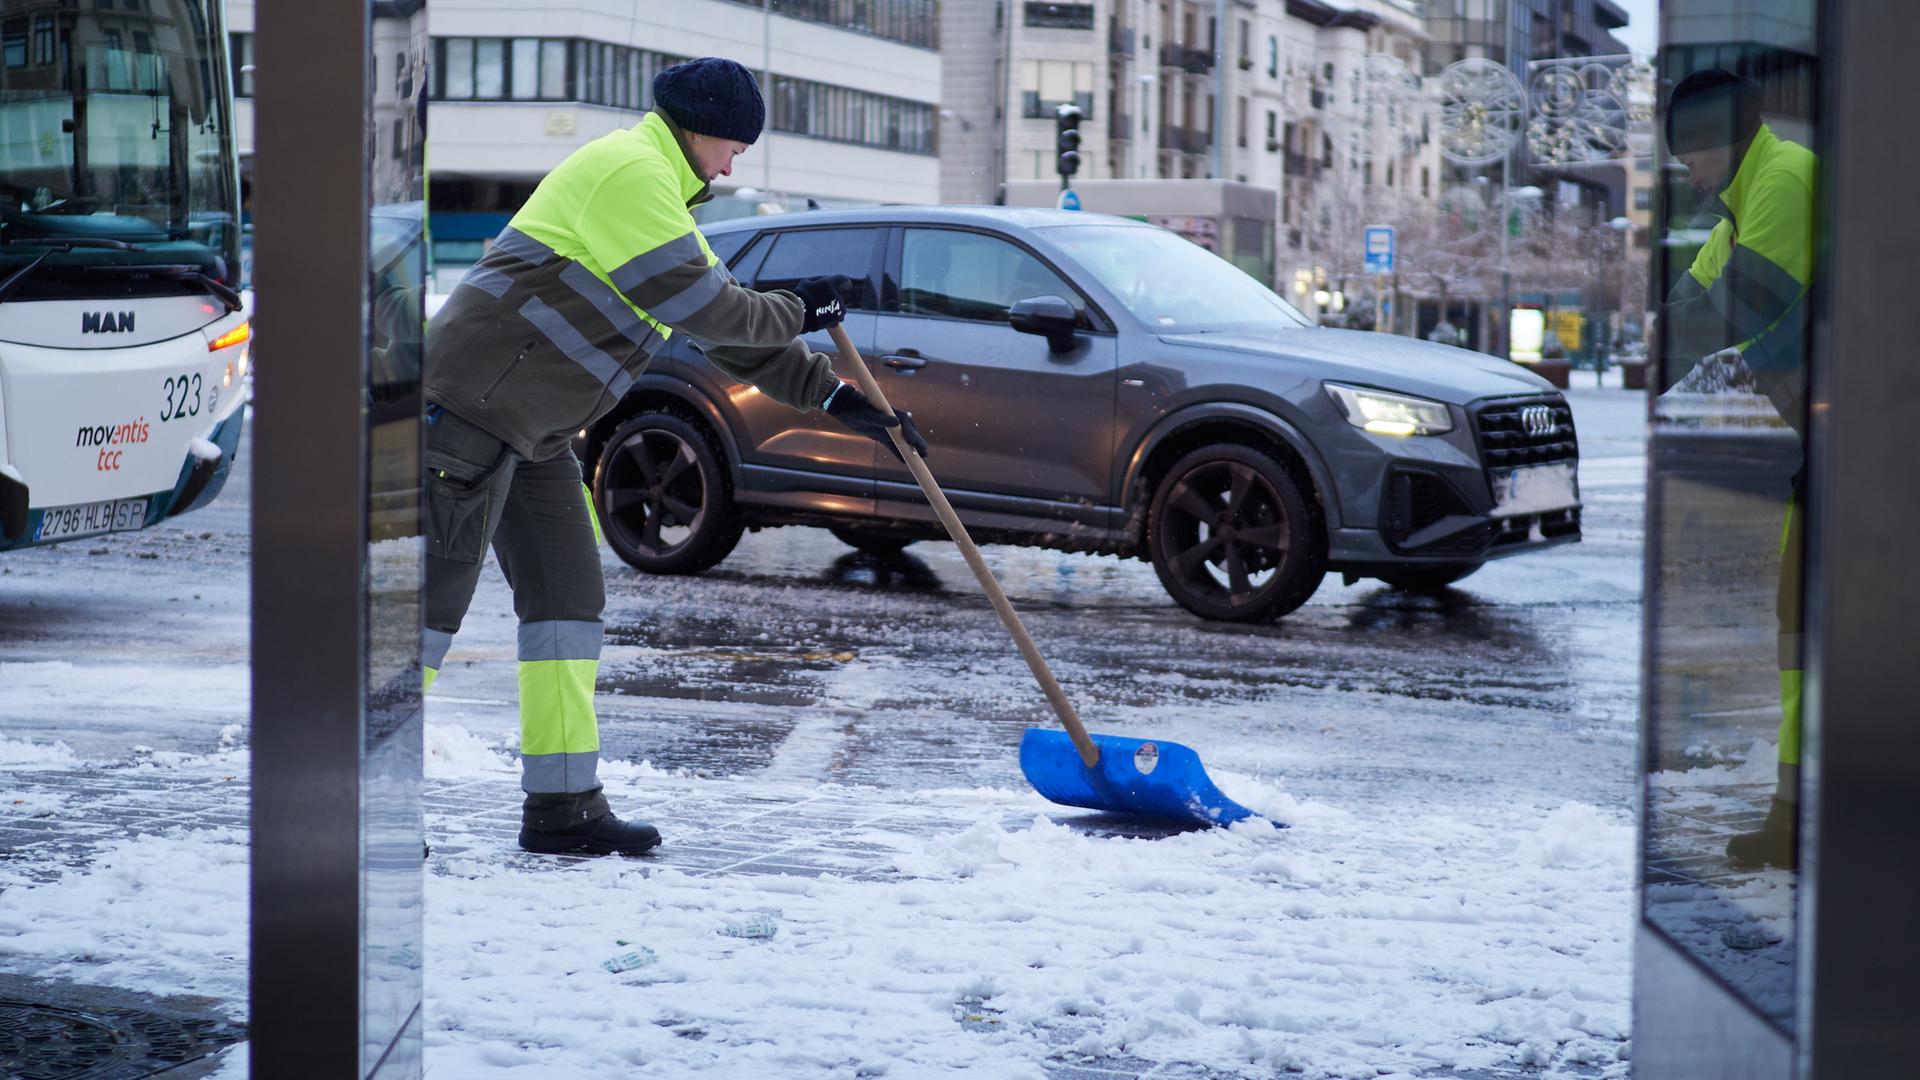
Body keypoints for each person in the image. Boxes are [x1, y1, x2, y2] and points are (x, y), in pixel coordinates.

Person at [420, 57, 927, 857]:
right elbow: (700, 303)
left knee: (567, 607)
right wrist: (800, 306)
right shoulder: (626, 170)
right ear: (699, 127)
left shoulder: (665, 201)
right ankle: (356, 803)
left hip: (538, 431)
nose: (737, 161)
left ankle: (561, 806)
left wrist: (837, 399)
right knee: (425, 615)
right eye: (735, 143)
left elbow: (723, 329)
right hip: (470, 413)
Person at [1658, 69, 1816, 869]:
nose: (1683, 167)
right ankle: (1789, 819)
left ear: (1727, 137)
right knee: (1795, 636)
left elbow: (1741, 312)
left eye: (1691, 151)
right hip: (1810, 453)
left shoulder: (1783, 179)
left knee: (1810, 631)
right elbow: (1686, 314)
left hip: (1853, 448)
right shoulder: (1737, 204)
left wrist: (1720, 357)